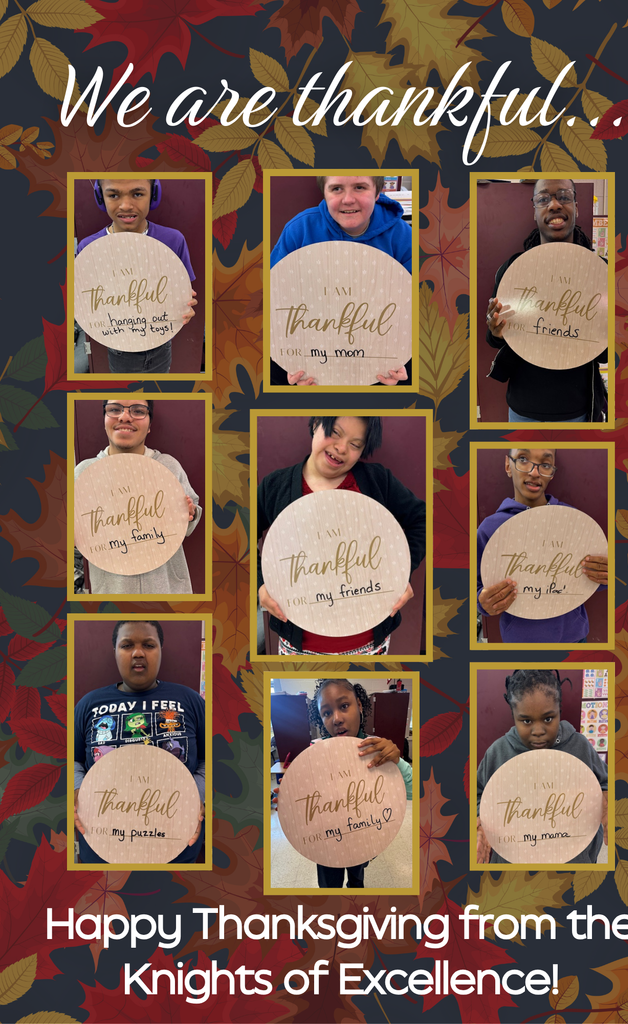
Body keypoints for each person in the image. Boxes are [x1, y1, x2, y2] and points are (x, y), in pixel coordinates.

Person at [257, 416, 426, 656]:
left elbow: (421, 519)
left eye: (355, 444)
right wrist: (260, 583)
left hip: (369, 643)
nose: (342, 448)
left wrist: (401, 571)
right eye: (335, 433)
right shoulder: (275, 486)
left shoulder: (377, 480)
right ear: (316, 424)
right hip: (298, 645)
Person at [73, 620, 205, 864]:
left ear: (160, 651)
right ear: (114, 651)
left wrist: (196, 794)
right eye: (126, 645)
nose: (138, 652)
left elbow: (215, 759)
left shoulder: (189, 700)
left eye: (148, 644)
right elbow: (72, 760)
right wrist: (78, 791)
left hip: (177, 841)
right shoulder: (89, 704)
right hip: (103, 842)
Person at [485, 178, 608, 422]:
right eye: (543, 199)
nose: (554, 205)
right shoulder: (512, 270)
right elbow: (493, 340)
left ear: (576, 207)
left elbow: (605, 355)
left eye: (564, 196)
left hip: (578, 408)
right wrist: (495, 330)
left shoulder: (599, 273)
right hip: (523, 407)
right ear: (535, 212)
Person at [270, 175, 411, 386]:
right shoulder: (300, 230)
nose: (348, 199)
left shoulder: (402, 236)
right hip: (312, 340)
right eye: (336, 189)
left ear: (378, 191)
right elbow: (274, 297)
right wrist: (292, 364)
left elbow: (414, 308)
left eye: (360, 187)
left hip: (377, 344)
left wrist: (397, 364)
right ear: (324, 193)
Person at [273, 678, 412, 888]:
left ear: (360, 706)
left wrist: (396, 761)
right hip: (325, 841)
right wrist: (288, 799)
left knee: (357, 881)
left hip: (361, 834)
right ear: (320, 719)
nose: (336, 719)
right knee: (329, 887)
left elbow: (412, 791)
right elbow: (304, 803)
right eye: (327, 713)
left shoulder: (376, 750)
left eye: (344, 706)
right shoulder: (314, 756)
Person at [476, 447, 608, 644]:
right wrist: (482, 603)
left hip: (574, 638)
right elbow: (477, 586)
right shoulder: (490, 529)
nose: (534, 472)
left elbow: (588, 581)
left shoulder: (574, 521)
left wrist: (605, 575)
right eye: (523, 459)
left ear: (552, 472)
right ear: (508, 465)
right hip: (520, 643)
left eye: (545, 464)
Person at [476, 669, 608, 864]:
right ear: (514, 716)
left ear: (559, 712)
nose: (538, 731)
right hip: (514, 864)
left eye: (548, 719)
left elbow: (604, 784)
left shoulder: (580, 747)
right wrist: (481, 821)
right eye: (526, 721)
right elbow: (479, 794)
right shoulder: (497, 753)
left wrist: (606, 801)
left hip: (573, 859)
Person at [74, 399, 202, 594]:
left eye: (138, 411)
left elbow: (192, 513)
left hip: (168, 589)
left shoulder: (169, 466)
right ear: (104, 419)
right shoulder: (84, 472)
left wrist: (190, 513)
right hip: (112, 591)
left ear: (150, 425)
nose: (125, 417)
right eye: (115, 409)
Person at [77, 179, 198, 374]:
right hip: (118, 347)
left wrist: (185, 305)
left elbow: (182, 291)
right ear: (101, 198)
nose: (125, 205)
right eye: (114, 195)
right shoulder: (87, 249)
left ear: (153, 196)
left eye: (137, 194)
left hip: (161, 341)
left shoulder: (173, 240)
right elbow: (84, 298)